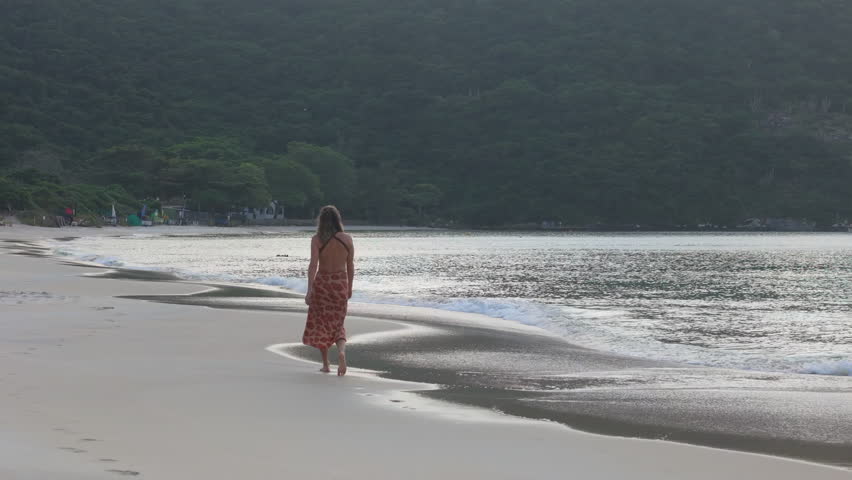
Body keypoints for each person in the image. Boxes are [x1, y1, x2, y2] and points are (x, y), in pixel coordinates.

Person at [302, 205, 355, 376]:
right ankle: (341, 352)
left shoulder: (317, 239)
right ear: (338, 220)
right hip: (340, 284)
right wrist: (350, 287)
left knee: (321, 325)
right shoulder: (347, 239)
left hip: (323, 285)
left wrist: (309, 289)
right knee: (338, 324)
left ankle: (326, 364)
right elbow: (350, 266)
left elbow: (313, 265)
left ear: (321, 221)